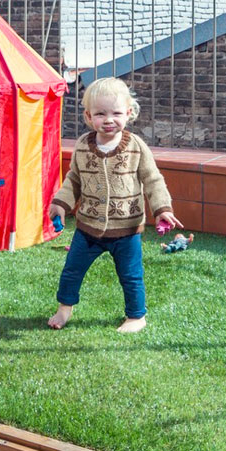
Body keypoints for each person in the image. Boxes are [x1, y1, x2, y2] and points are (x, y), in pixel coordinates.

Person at [46, 76, 179, 333]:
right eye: (100, 113)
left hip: (126, 229)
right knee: (72, 270)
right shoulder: (83, 146)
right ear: (88, 116)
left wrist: (162, 210)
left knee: (131, 275)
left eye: (116, 113)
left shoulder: (136, 147)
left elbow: (153, 180)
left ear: (128, 114)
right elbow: (74, 179)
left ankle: (136, 316)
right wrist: (61, 204)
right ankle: (64, 309)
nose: (108, 119)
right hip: (88, 228)